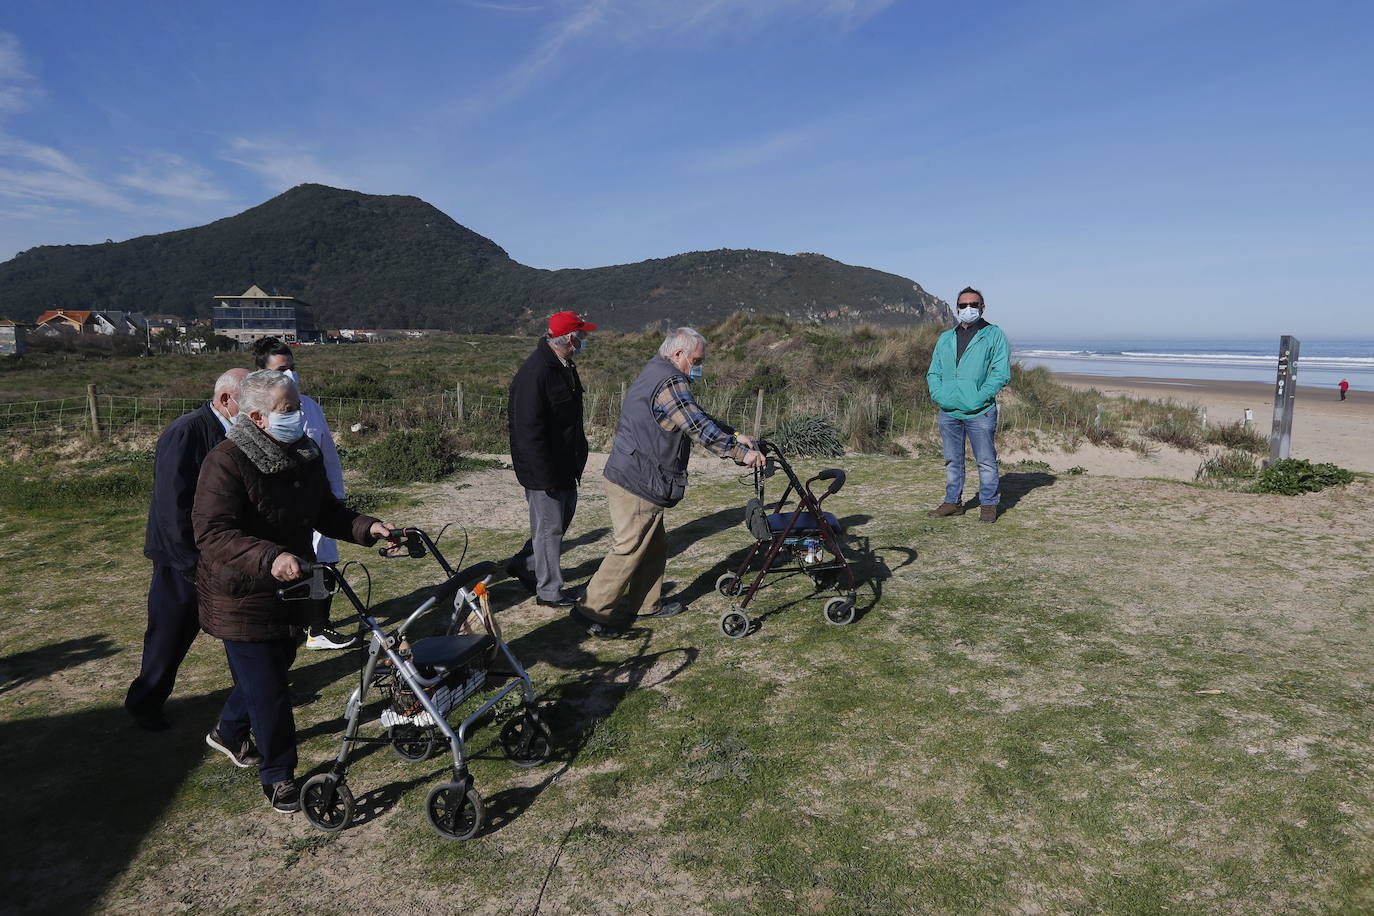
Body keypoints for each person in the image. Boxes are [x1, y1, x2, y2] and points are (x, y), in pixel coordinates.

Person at [193, 369, 392, 813]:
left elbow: (325, 511)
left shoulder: (304, 453)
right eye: (288, 409)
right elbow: (212, 533)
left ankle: (227, 732)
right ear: (258, 418)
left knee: (274, 666)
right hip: (244, 592)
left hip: (294, 583)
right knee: (269, 689)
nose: (299, 416)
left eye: (298, 406)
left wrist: (368, 527)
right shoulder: (226, 460)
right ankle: (279, 775)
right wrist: (269, 557)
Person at [573, 328, 765, 639]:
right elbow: (696, 426)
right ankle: (591, 610)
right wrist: (739, 453)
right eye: (697, 360)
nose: (699, 366)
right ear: (678, 355)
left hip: (636, 471)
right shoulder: (670, 380)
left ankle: (646, 603)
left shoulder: (657, 371)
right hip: (638, 478)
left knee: (655, 543)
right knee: (629, 546)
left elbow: (693, 414)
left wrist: (733, 433)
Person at [124, 368, 248, 731]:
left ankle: (253, 692)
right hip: (183, 558)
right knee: (170, 633)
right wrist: (190, 562)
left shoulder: (239, 432)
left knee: (241, 629)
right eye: (249, 401)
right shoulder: (187, 431)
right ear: (226, 399)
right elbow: (171, 504)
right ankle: (145, 702)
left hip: (224, 551)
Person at [252, 337, 353, 650]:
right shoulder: (256, 413)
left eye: (292, 367)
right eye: (282, 369)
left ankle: (319, 627)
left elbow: (327, 452)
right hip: (281, 506)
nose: (290, 374)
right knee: (291, 567)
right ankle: (290, 628)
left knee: (325, 561)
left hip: (317, 499)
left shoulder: (310, 406)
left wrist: (336, 492)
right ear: (263, 374)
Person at [506, 311, 595, 608]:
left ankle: (524, 564)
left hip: (564, 466)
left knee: (558, 523)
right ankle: (549, 591)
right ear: (568, 339)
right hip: (546, 471)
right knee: (550, 529)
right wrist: (544, 478)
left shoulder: (563, 365)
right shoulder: (536, 373)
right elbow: (527, 432)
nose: (584, 340)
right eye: (581, 336)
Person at [926, 286, 1011, 523]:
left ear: (982, 308)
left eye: (973, 305)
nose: (968, 309)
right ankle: (953, 502)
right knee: (953, 460)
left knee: (985, 461)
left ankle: (988, 505)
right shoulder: (946, 337)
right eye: (963, 305)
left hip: (980, 411)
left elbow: (1001, 372)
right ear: (956, 308)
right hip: (949, 410)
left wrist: (980, 396)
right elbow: (934, 371)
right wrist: (939, 395)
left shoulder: (993, 335)